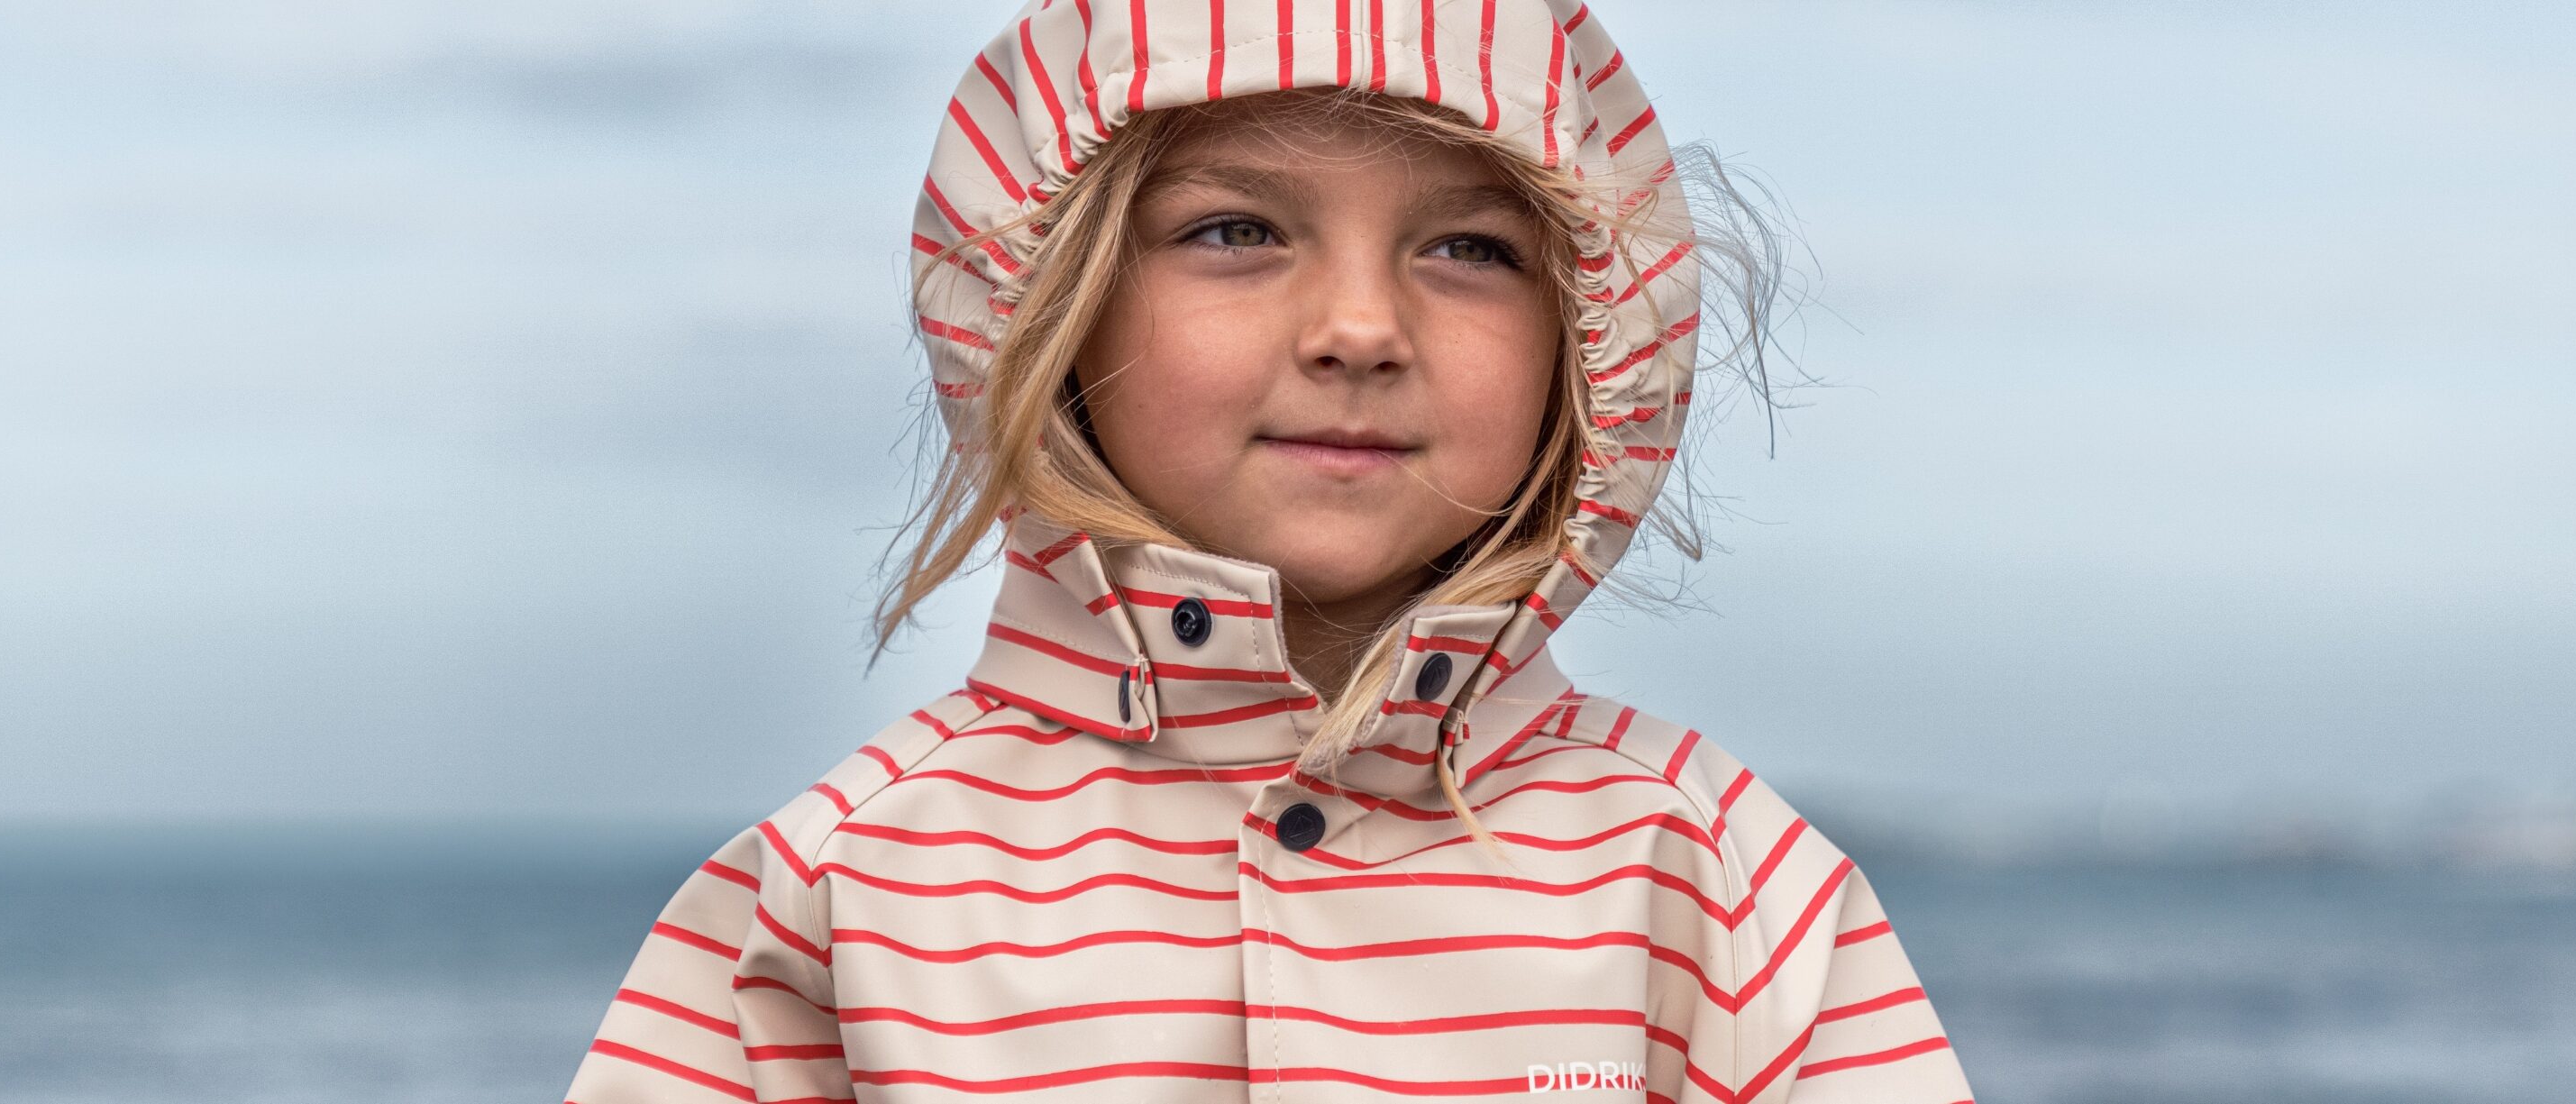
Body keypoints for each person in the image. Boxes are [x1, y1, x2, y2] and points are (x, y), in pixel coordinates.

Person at [565, 2, 1973, 1100]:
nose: (1359, 327)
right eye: (1236, 231)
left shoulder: (1713, 882)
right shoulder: (840, 892)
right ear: (1053, 302)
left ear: (1590, 338)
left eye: (1470, 249)